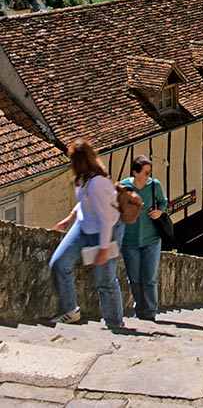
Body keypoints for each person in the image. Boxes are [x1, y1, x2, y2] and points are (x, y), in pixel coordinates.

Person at [49, 139, 125, 329]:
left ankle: (115, 324)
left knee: (104, 281)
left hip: (106, 230)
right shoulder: (85, 178)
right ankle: (70, 311)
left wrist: (104, 249)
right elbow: (85, 200)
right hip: (84, 225)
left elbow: (107, 219)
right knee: (59, 263)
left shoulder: (97, 183)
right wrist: (70, 218)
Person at [120, 155, 167, 321]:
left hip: (151, 238)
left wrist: (160, 211)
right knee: (134, 279)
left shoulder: (154, 185)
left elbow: (163, 202)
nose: (148, 176)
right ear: (135, 172)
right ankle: (139, 309)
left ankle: (150, 313)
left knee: (149, 279)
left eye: (149, 172)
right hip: (129, 241)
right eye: (145, 172)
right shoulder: (124, 187)